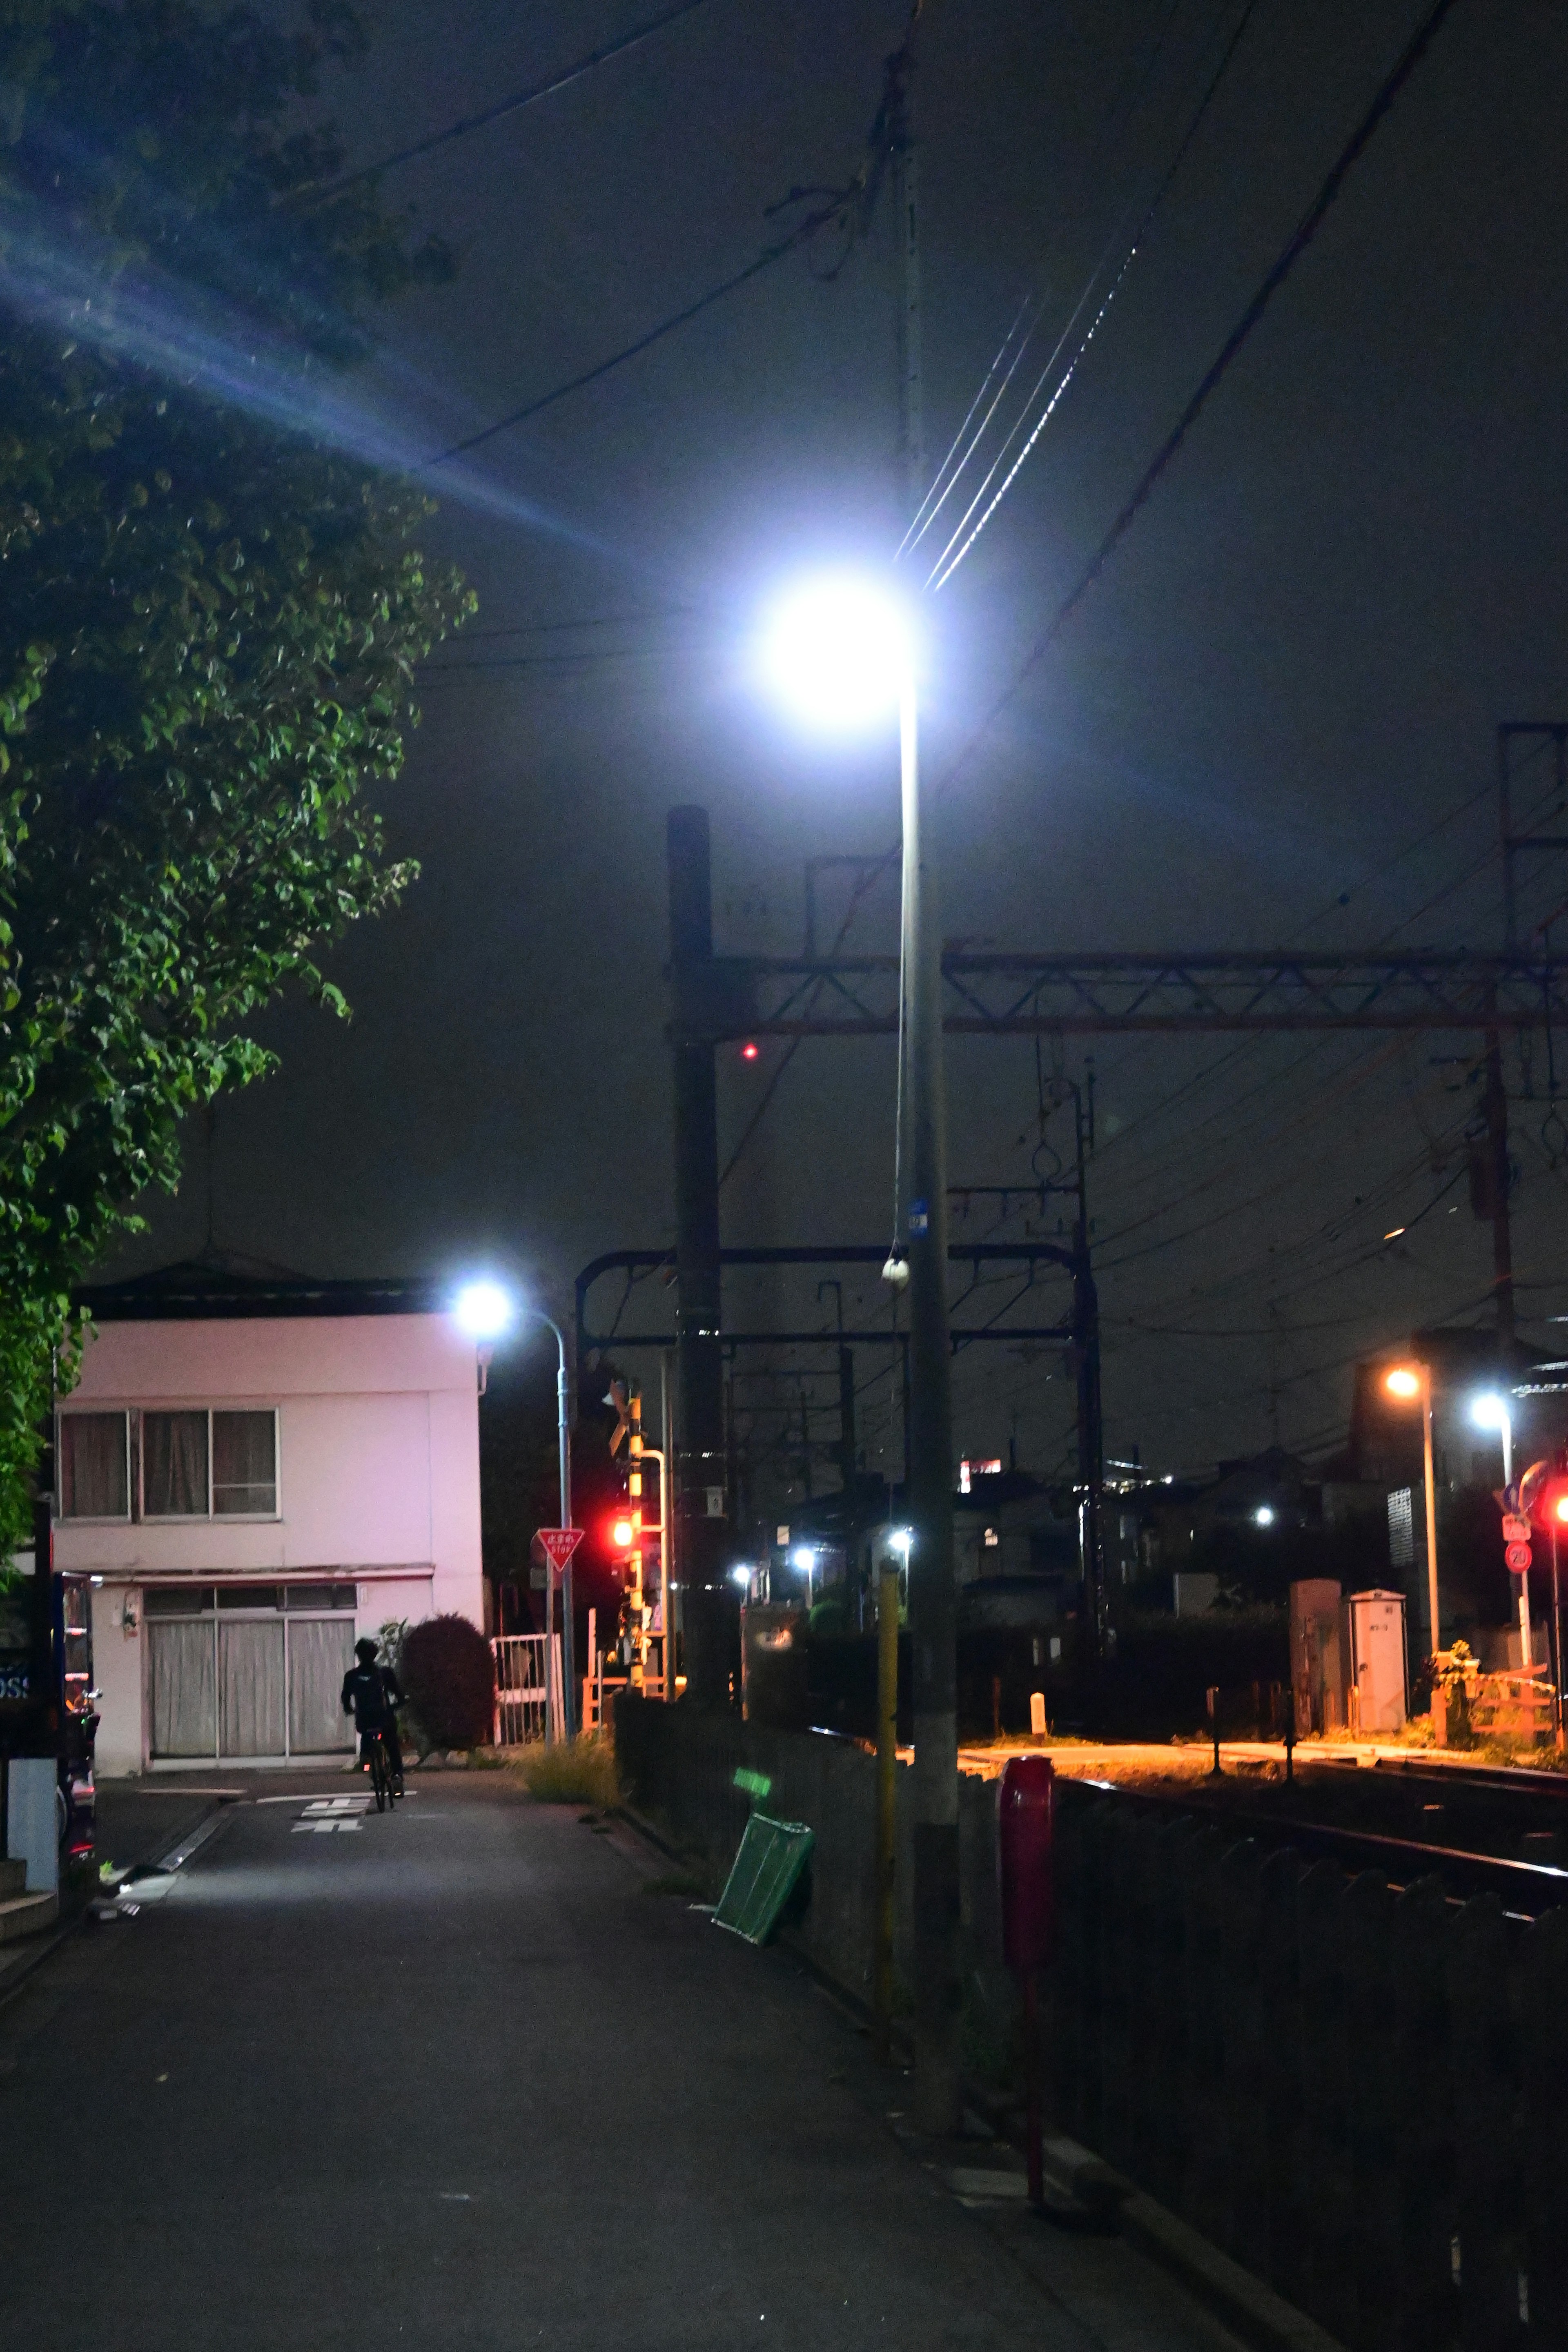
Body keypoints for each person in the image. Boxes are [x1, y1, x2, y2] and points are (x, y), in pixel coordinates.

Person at [341, 1638, 404, 1791]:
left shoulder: (351, 1676)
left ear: (358, 1656)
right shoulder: (385, 1673)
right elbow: (399, 1694)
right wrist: (400, 1703)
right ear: (375, 1655)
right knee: (393, 1747)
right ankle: (397, 1776)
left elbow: (346, 1698)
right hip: (385, 1719)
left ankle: (367, 1761)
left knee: (367, 1739)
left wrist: (350, 1709)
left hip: (364, 1721)